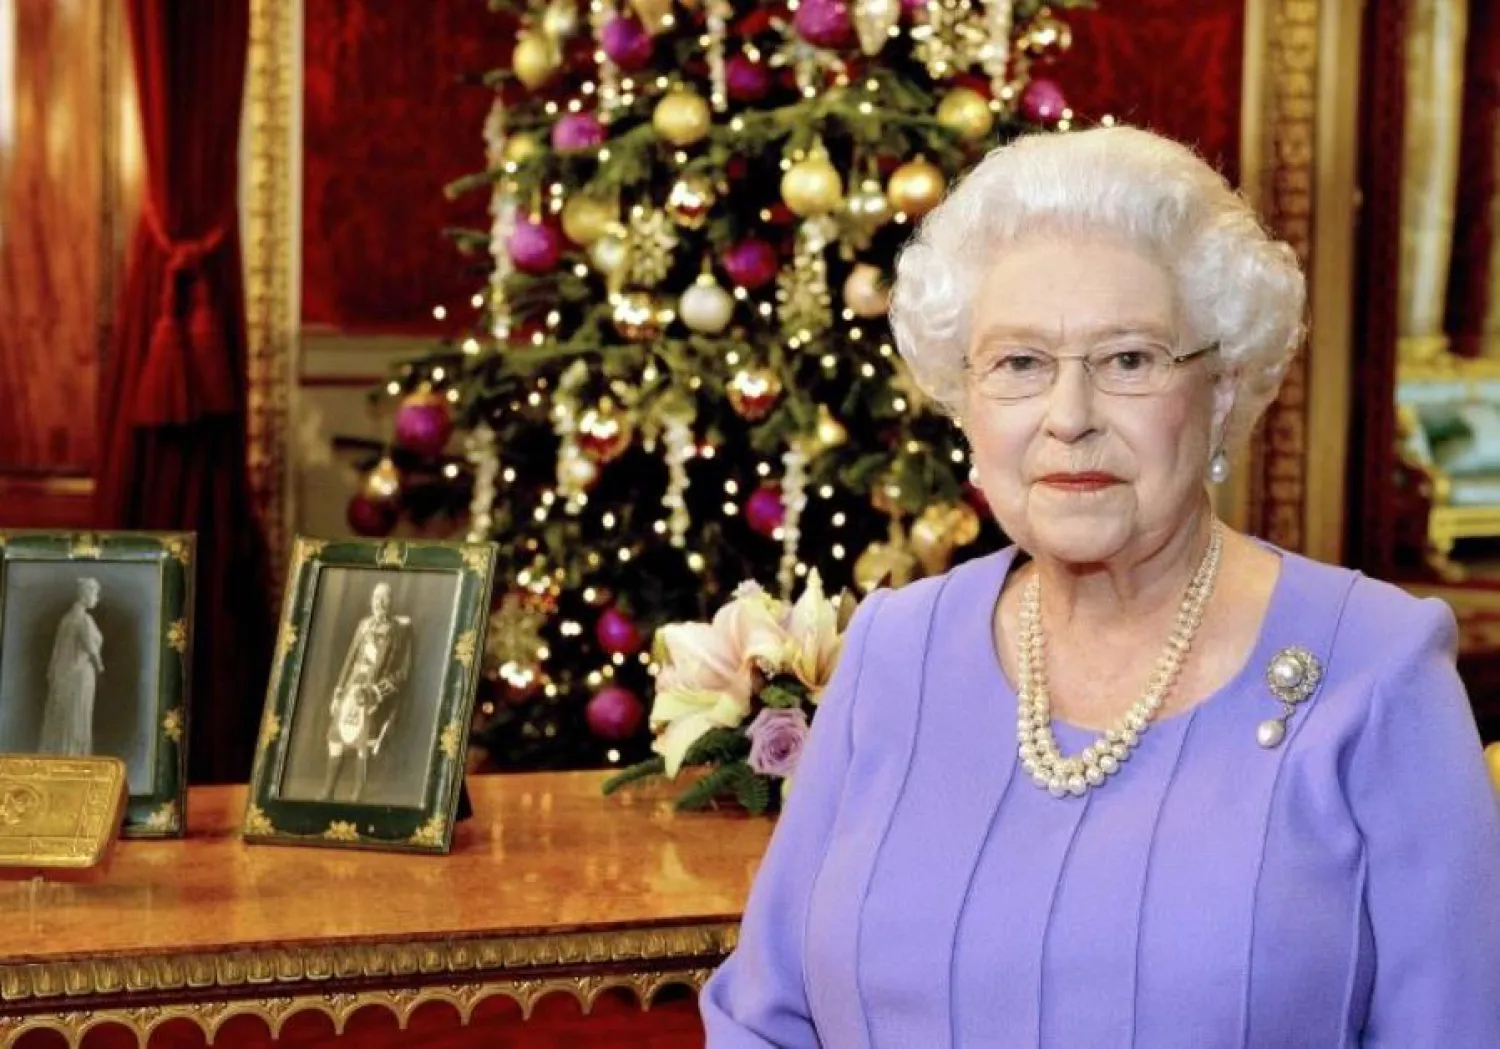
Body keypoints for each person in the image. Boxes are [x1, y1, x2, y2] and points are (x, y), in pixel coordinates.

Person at [700, 126, 1500, 1046]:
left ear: (1224, 393)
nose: (1069, 417)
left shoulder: (1378, 673)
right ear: (966, 401)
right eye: (1020, 363)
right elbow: (764, 1015)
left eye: (1129, 360)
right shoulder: (890, 650)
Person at [319, 582, 411, 802]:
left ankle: (358, 794)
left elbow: (403, 672)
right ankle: (328, 791)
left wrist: (378, 691)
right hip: (351, 689)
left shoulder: (400, 631)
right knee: (335, 738)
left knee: (363, 744)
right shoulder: (363, 625)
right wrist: (339, 692)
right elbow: (350, 659)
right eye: (375, 597)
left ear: (391, 602)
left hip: (373, 695)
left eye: (384, 598)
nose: (379, 602)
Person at [38, 577, 103, 756]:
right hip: (80, 674)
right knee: (76, 715)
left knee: (69, 714)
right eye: (95, 593)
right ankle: (73, 754)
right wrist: (100, 665)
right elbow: (90, 648)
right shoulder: (83, 619)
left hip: (67, 674)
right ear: (86, 595)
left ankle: (66, 752)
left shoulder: (67, 618)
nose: (97, 598)